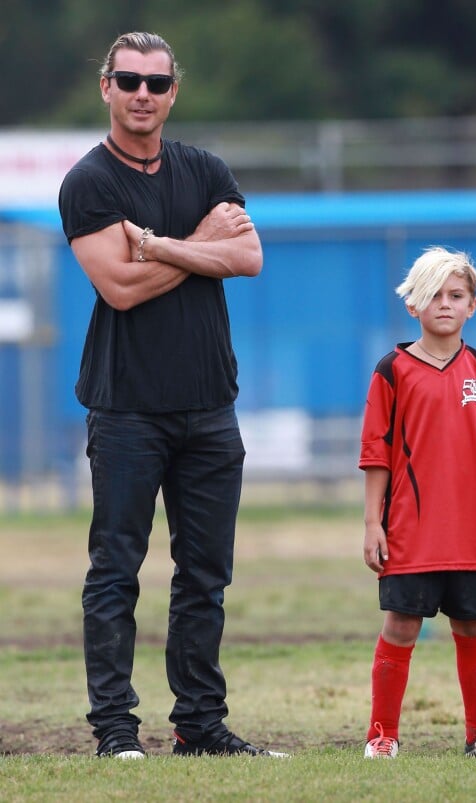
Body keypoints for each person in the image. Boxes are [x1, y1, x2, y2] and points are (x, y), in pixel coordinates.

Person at [58, 31, 286, 759]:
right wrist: (196, 245)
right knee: (116, 568)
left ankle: (199, 723)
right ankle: (117, 730)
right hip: (126, 408)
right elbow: (119, 289)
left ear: (173, 93)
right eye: (128, 81)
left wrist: (156, 245)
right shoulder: (89, 183)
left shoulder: (205, 167)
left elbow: (247, 256)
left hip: (210, 405)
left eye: (156, 83)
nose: (143, 95)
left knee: (205, 575)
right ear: (106, 87)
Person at [359, 246, 476, 759]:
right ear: (413, 305)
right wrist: (372, 523)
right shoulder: (392, 371)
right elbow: (377, 455)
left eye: (456, 295)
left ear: (472, 305)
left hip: (474, 532)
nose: (445, 304)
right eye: (433, 295)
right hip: (411, 531)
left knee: (474, 626)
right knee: (402, 626)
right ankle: (381, 736)